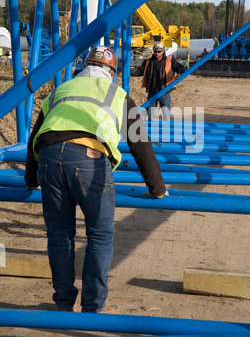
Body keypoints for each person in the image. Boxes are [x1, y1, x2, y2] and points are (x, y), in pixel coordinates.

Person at [25, 45, 168, 314]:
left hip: (49, 160)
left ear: (84, 67)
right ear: (111, 73)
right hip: (89, 161)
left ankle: (64, 303)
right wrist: (156, 188)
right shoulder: (118, 94)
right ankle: (92, 309)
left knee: (59, 236)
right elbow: (140, 143)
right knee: (100, 237)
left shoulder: (61, 91)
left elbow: (36, 135)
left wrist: (31, 180)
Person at [131, 41, 186, 120]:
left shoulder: (170, 61)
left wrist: (180, 73)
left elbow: (180, 67)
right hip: (152, 92)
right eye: (155, 51)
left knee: (166, 115)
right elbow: (139, 71)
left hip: (164, 92)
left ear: (163, 51)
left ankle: (167, 130)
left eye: (159, 52)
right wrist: (128, 71)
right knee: (149, 115)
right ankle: (150, 131)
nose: (157, 53)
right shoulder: (148, 62)